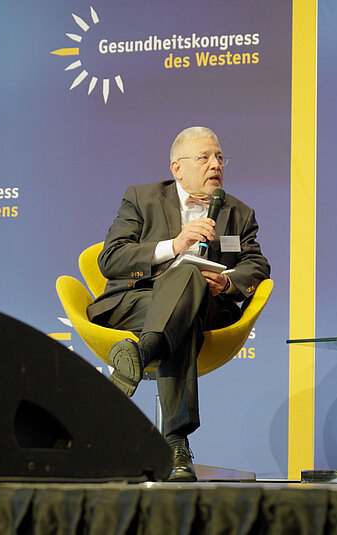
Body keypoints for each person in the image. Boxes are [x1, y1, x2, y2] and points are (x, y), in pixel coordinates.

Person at [86, 126, 270, 482]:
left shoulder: (239, 212)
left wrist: (228, 282)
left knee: (190, 283)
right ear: (177, 168)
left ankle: (140, 354)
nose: (215, 164)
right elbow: (111, 259)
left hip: (205, 303)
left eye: (219, 157)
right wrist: (174, 245)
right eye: (204, 157)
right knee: (184, 287)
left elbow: (256, 265)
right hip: (137, 300)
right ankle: (176, 442)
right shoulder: (142, 198)